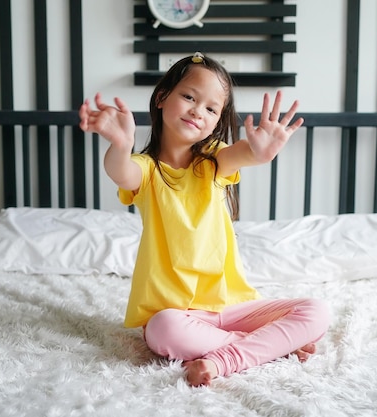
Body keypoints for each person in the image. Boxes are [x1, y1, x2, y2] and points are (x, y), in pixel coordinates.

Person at [79, 53, 330, 387]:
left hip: (232, 307)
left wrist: (261, 152)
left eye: (212, 109)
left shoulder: (213, 162)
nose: (199, 110)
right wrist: (121, 144)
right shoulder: (147, 169)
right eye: (189, 97)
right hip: (177, 314)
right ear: (162, 97)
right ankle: (270, 348)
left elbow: (242, 153)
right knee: (161, 330)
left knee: (316, 311)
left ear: (216, 123)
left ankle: (228, 357)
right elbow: (121, 173)